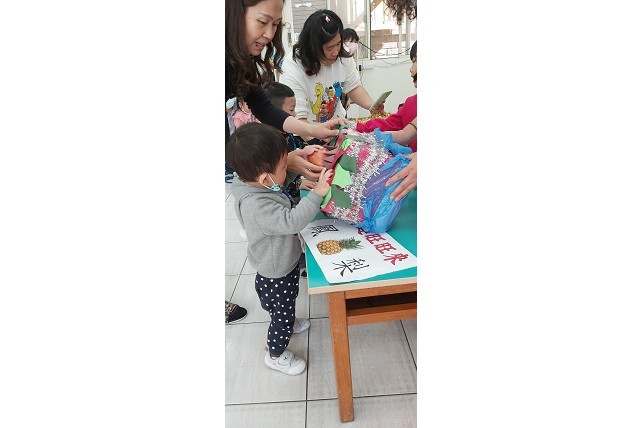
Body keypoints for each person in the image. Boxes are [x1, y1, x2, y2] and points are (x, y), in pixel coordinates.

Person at [226, 122, 334, 375]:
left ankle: (287, 318)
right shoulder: (257, 205)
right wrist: (317, 194)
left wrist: (292, 171)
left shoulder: (250, 183)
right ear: (265, 178)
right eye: (285, 167)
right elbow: (292, 221)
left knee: (284, 303)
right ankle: (275, 354)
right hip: (276, 271)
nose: (288, 169)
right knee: (281, 316)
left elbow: (278, 187)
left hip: (276, 263)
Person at [225, 0, 347, 184]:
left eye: (275, 24)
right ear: (234, 16)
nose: (269, 34)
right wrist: (283, 163)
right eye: (262, 22)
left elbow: (265, 110)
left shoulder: (241, 63)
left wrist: (314, 130)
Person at [279, 9, 385, 131]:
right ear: (313, 47)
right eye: (329, 48)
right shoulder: (293, 65)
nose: (336, 52)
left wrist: (371, 105)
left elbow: (353, 87)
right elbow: (298, 118)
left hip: (338, 126)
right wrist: (316, 136)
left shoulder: (342, 56)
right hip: (306, 131)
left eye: (338, 44)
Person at [355, 41, 418, 151]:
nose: (410, 69)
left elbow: (403, 136)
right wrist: (355, 127)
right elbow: (390, 125)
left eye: (414, 61)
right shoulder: (411, 103)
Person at [262, 81, 317, 205]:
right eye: (291, 109)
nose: (295, 113)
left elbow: (297, 146)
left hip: (294, 189)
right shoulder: (268, 144)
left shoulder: (286, 132)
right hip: (283, 198)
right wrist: (298, 184)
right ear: (274, 113)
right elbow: (272, 178)